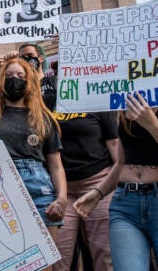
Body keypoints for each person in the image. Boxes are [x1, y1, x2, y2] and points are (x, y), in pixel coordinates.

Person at [74, 85, 158, 270]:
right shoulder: (127, 99)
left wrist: (152, 124)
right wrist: (98, 192)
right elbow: (121, 162)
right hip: (125, 204)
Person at [0, 57, 66, 241]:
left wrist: (62, 198)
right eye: (8, 75)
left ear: (29, 81)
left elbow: (56, 165)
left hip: (38, 191)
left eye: (20, 75)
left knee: (44, 263)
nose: (14, 79)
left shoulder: (43, 118)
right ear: (1, 81)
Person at [52, 107, 118, 271]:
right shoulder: (49, 98)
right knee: (57, 256)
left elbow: (116, 148)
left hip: (98, 183)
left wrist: (113, 183)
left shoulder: (96, 98)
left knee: (105, 253)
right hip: (61, 189)